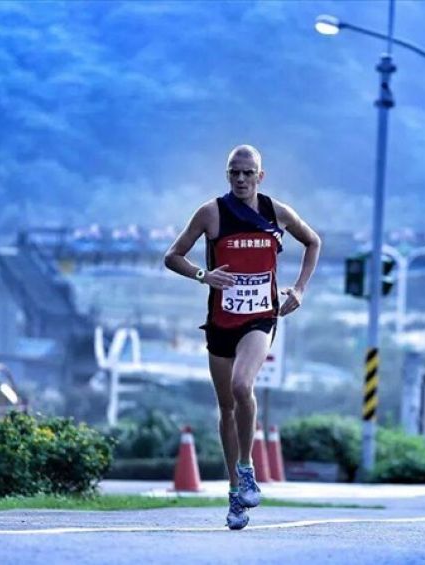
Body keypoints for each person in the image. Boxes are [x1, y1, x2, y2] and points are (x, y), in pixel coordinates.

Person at [164, 145, 321, 530]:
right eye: (234, 172)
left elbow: (313, 242)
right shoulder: (210, 213)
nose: (240, 179)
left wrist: (299, 289)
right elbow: (173, 256)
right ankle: (236, 494)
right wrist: (204, 275)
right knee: (226, 409)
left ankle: (248, 468)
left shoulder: (276, 213)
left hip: (261, 319)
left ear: (260, 176)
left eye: (248, 173)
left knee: (240, 386)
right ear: (226, 174)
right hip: (220, 322)